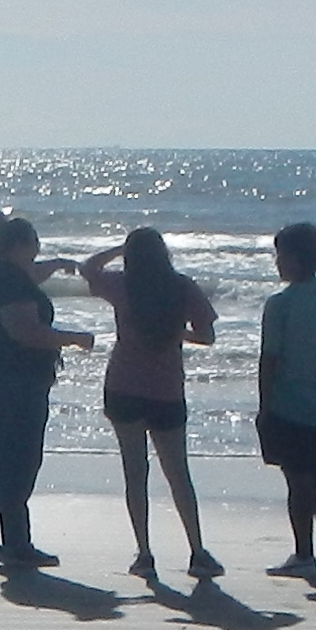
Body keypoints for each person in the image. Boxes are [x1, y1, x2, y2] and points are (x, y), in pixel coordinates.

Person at [74, 225, 222, 585]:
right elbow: (207, 335)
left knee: (134, 473)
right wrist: (177, 333)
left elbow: (87, 267)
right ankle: (197, 551)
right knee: (178, 474)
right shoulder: (182, 286)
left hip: (123, 385)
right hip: (166, 388)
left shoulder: (123, 286)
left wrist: (118, 250)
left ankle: (144, 553)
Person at [0, 212, 89, 568]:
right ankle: (17, 542)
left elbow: (33, 273)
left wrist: (58, 264)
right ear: (20, 246)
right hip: (13, 383)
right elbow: (26, 332)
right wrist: (74, 339)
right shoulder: (12, 284)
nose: (37, 252)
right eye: (34, 244)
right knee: (20, 460)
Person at [256, 221, 316, 587]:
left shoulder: (279, 304)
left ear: (295, 259)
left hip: (289, 404)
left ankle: (303, 554)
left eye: (280, 256)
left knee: (298, 481)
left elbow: (270, 360)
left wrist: (264, 408)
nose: (277, 263)